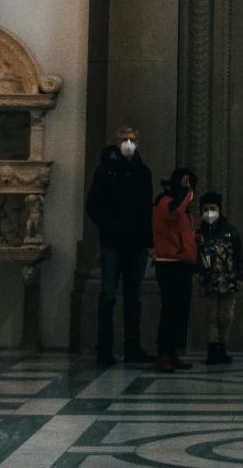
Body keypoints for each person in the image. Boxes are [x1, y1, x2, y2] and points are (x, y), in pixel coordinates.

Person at [87, 124, 154, 366]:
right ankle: (104, 348)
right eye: (125, 139)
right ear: (117, 143)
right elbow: (93, 205)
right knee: (108, 295)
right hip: (113, 243)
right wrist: (111, 226)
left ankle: (132, 346)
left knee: (133, 297)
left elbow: (147, 210)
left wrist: (148, 242)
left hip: (135, 244)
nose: (128, 143)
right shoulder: (105, 171)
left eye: (132, 139)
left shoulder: (143, 172)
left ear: (138, 143)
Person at [151, 166, 199, 372]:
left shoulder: (182, 206)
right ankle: (163, 353)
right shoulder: (165, 202)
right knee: (170, 311)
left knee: (181, 311)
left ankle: (173, 353)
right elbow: (173, 214)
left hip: (182, 263)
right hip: (168, 263)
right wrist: (185, 192)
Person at [196, 191, 243, 365]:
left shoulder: (230, 231)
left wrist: (240, 277)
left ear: (220, 209)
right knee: (211, 316)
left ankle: (222, 348)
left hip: (228, 281)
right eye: (206, 209)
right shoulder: (200, 233)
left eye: (213, 208)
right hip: (209, 282)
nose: (209, 212)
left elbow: (239, 256)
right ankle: (212, 349)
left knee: (226, 316)